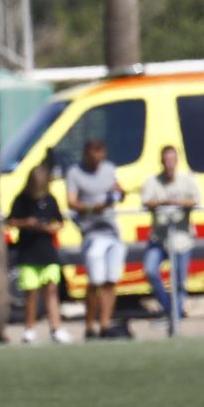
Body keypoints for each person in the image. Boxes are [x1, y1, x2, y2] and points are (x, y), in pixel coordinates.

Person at [66, 140, 129, 339]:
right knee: (95, 280)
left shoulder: (109, 169)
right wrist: (95, 209)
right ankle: (89, 325)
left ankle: (104, 324)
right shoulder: (75, 173)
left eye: (101, 153)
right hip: (92, 233)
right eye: (94, 153)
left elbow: (118, 189)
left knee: (111, 280)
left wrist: (120, 194)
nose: (98, 158)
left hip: (112, 231)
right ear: (86, 153)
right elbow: (71, 202)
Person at [7, 165, 72, 345]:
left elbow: (60, 222)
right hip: (28, 252)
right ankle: (29, 329)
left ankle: (56, 328)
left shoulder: (50, 199)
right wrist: (26, 223)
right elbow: (10, 221)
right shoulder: (21, 199)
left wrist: (48, 228)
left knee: (51, 290)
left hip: (47, 251)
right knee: (31, 293)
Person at [140, 145, 200, 324]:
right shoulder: (153, 181)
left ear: (177, 161)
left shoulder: (187, 180)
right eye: (166, 160)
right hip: (159, 237)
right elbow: (145, 202)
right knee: (150, 270)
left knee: (180, 281)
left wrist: (180, 203)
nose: (169, 164)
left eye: (172, 160)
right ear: (161, 161)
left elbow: (196, 200)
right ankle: (169, 308)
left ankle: (175, 317)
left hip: (182, 238)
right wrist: (162, 202)